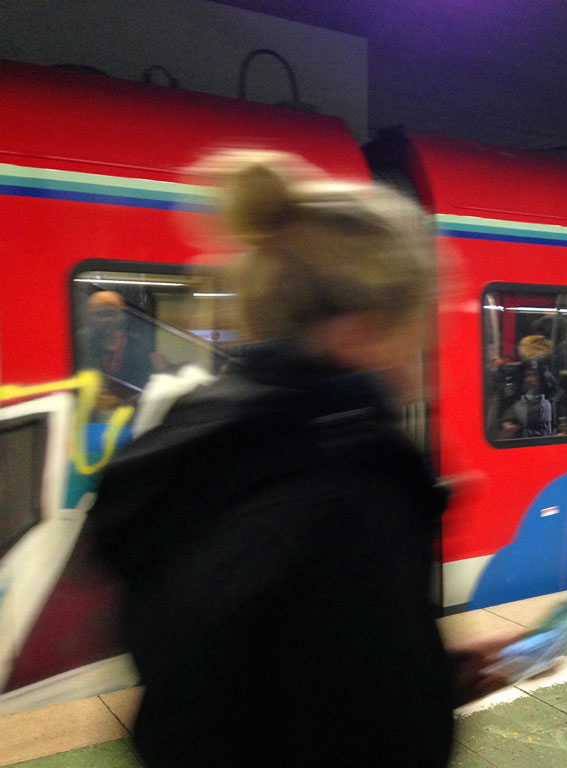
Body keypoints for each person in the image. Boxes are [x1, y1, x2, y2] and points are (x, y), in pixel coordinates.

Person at [86, 151, 510, 768]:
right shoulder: (353, 481)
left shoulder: (200, 438)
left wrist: (427, 669)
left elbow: (272, 680)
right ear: (360, 330)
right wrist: (415, 689)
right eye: (415, 342)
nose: (420, 382)